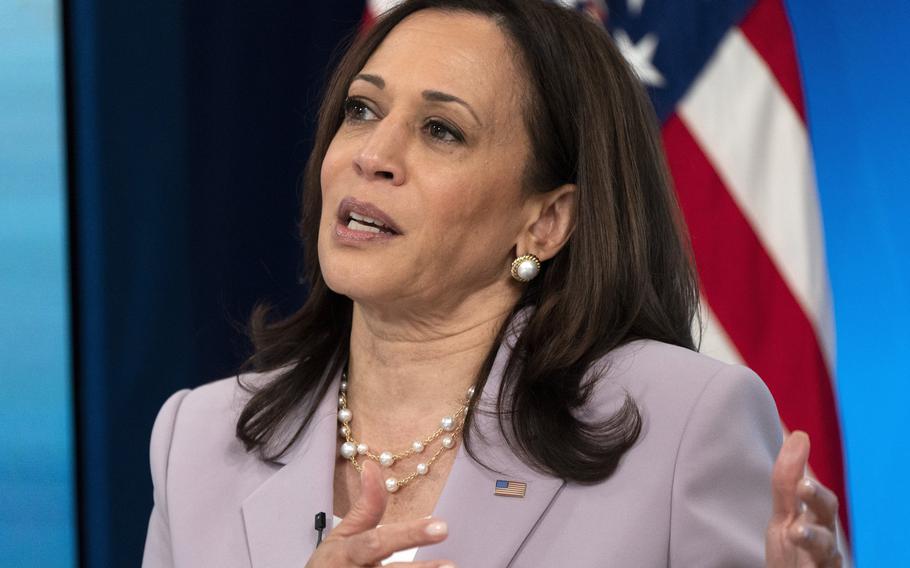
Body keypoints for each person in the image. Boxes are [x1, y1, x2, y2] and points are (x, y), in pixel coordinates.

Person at [142, 0, 843, 566]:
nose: (374, 155)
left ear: (546, 221)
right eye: (362, 110)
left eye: (442, 130)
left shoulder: (683, 427)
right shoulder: (200, 442)